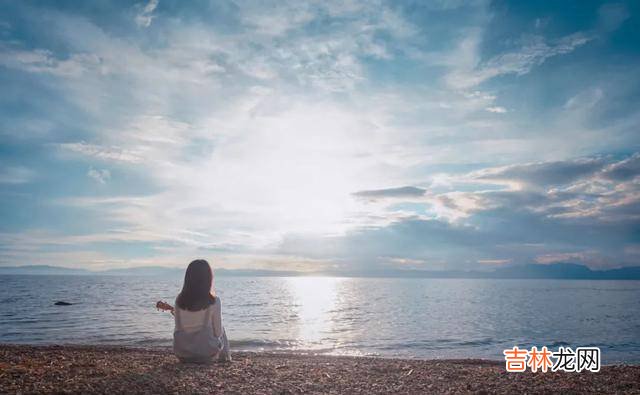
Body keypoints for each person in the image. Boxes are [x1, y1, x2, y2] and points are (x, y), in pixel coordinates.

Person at [156, 259, 231, 363]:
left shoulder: (179, 299)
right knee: (221, 328)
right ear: (209, 278)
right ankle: (226, 359)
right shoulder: (214, 301)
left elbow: (179, 328)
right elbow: (218, 333)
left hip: (181, 354)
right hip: (206, 354)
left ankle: (224, 359)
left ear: (188, 278)